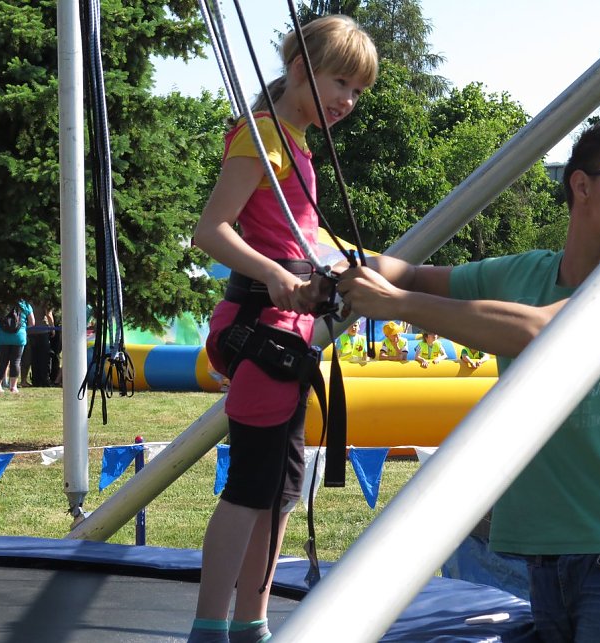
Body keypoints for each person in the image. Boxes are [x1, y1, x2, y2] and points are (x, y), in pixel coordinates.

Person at [335, 122, 600, 641]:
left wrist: (396, 304)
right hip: (549, 552)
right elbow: (414, 274)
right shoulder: (525, 274)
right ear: (582, 185)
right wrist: (336, 270)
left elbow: (544, 332)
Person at [188, 15, 377, 643]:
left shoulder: (295, 143)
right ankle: (212, 626)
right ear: (300, 70)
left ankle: (251, 622)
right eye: (341, 83)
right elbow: (212, 229)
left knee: (279, 488)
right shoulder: (264, 137)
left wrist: (356, 265)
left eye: (357, 92)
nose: (348, 102)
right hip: (264, 324)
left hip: (290, 328)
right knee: (251, 486)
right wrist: (273, 275)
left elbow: (302, 236)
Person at [0, 299, 35, 394]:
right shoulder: (25, 305)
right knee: (16, 361)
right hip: (19, 336)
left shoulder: (3, 303)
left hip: (3, 337)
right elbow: (32, 323)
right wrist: (23, 328)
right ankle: (13, 387)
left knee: (3, 361)